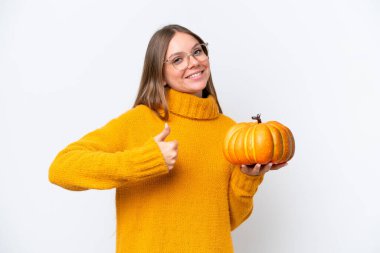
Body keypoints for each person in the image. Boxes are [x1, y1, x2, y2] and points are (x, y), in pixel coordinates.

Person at [49, 24, 287, 253]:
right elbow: (61, 168)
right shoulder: (140, 120)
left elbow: (224, 223)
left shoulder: (232, 133)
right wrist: (144, 161)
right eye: (177, 59)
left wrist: (247, 179)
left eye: (197, 51)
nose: (193, 62)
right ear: (160, 75)